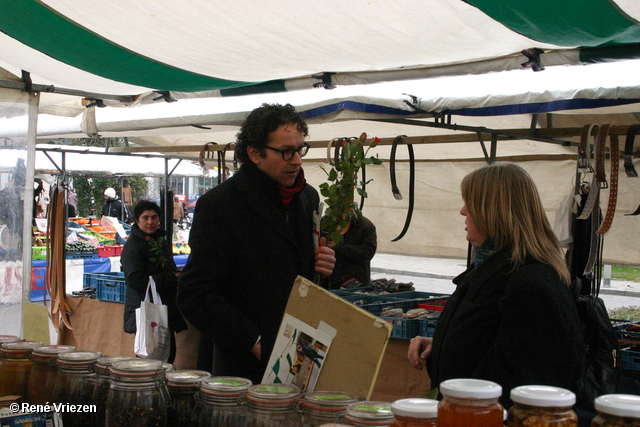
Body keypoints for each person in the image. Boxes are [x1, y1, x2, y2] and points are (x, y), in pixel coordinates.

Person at [177, 103, 336, 383]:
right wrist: (253, 340)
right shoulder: (221, 206)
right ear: (254, 153)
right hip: (245, 367)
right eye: (286, 151)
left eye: (300, 149)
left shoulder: (307, 197)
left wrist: (321, 264)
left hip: (300, 358)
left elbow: (300, 275)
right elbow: (195, 294)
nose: (297, 160)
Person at [407, 162, 584, 408]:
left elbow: (526, 378)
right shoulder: (492, 268)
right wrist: (442, 344)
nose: (462, 211)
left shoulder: (530, 283)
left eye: (470, 203)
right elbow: (492, 339)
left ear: (494, 211)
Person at [121, 200, 187, 363]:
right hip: (147, 308)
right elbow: (135, 280)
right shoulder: (133, 246)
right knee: (151, 356)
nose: (150, 222)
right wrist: (170, 278)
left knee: (167, 354)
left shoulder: (159, 241)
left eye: (154, 217)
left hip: (164, 307)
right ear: (137, 220)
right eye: (145, 218)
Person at [326, 215, 377, 288]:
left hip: (354, 282)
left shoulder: (365, 225)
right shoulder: (327, 221)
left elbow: (368, 252)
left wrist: (338, 247)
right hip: (329, 279)